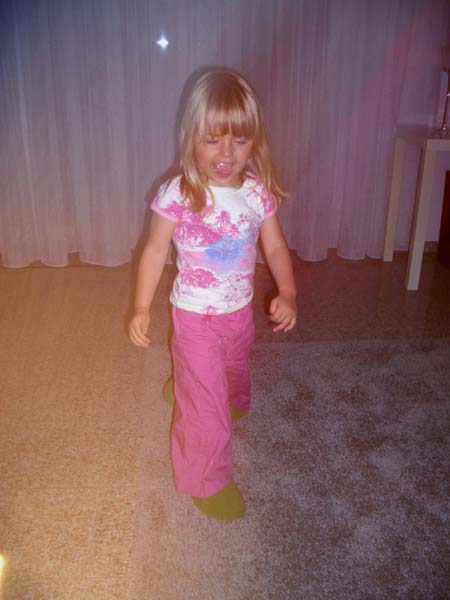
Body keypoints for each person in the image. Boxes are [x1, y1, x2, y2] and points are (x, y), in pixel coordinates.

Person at [128, 69, 297, 520]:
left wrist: (288, 291)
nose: (226, 153)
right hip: (194, 317)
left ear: (254, 141)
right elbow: (154, 249)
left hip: (238, 312)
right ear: (192, 139)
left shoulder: (257, 194)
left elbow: (275, 247)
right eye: (212, 140)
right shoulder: (180, 193)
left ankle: (210, 391)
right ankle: (206, 479)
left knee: (233, 369)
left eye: (239, 141)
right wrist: (141, 306)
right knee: (205, 408)